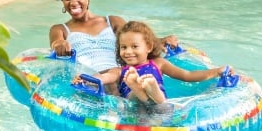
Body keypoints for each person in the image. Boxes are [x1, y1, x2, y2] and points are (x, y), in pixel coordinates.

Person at [47, 0, 177, 74]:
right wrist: (59, 44)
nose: (74, 3)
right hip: (88, 83)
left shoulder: (113, 22)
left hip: (121, 77)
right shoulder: (60, 29)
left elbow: (136, 41)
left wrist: (160, 41)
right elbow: (56, 42)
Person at [82, 20, 233, 105]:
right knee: (155, 105)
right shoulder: (120, 71)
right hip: (139, 105)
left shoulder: (159, 63)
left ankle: (146, 89)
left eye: (134, 46)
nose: (128, 51)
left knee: (156, 106)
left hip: (150, 106)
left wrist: (216, 71)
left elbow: (187, 75)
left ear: (148, 47)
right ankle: (142, 89)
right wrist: (88, 80)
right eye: (123, 47)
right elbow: (104, 77)